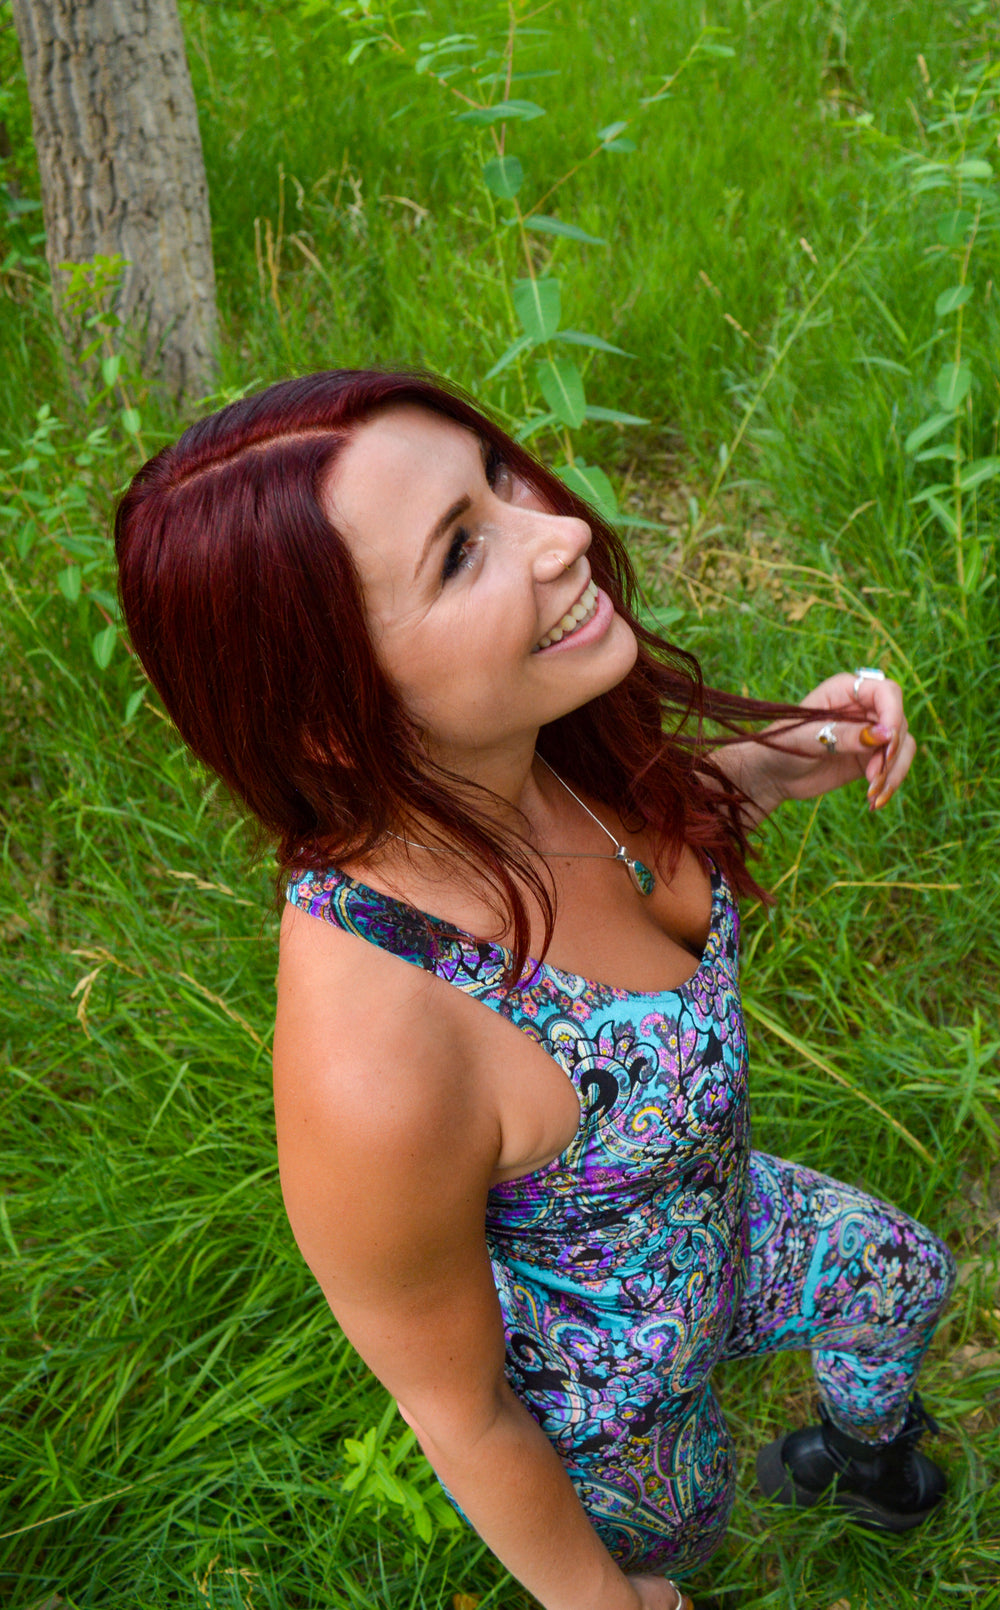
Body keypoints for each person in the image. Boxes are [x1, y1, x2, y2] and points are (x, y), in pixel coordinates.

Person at [115, 369, 956, 1610]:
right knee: (688, 1535)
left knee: (908, 1277)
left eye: (497, 481)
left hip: (731, 1219)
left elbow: (634, 850)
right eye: (461, 551)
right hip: (620, 1407)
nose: (559, 532)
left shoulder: (526, 745)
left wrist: (778, 761)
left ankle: (861, 1463)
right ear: (332, 715)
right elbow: (457, 1408)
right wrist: (601, 1602)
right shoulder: (377, 1054)